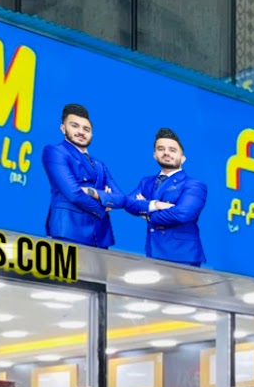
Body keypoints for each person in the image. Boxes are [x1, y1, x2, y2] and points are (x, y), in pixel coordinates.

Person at [42, 103, 125, 248]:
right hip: (69, 230)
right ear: (63, 128)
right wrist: (102, 206)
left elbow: (121, 199)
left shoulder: (99, 165)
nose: (81, 132)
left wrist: (93, 192)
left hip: (100, 237)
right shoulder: (56, 152)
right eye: (75, 126)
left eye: (86, 129)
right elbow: (74, 193)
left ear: (92, 134)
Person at [124, 127, 208, 267]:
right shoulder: (146, 182)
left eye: (172, 150)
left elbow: (182, 214)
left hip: (182, 255)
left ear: (183, 158)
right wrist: (155, 205)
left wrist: (149, 214)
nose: (166, 153)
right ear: (154, 155)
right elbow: (128, 203)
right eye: (161, 149)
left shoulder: (194, 184)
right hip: (153, 252)